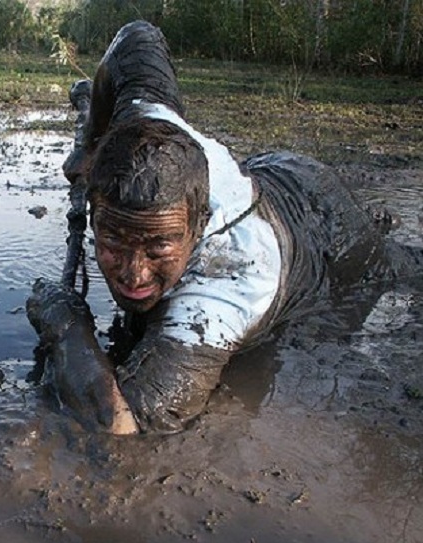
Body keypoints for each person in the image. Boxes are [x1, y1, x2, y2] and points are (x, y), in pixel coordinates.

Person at [26, 20, 422, 436]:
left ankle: (377, 229)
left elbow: (123, 425)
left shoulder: (225, 284)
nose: (133, 272)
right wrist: (91, 148)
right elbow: (135, 38)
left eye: (159, 245)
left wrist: (65, 325)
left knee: (398, 268)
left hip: (330, 238)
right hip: (272, 171)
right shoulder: (145, 123)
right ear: (94, 209)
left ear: (199, 227)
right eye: (113, 239)